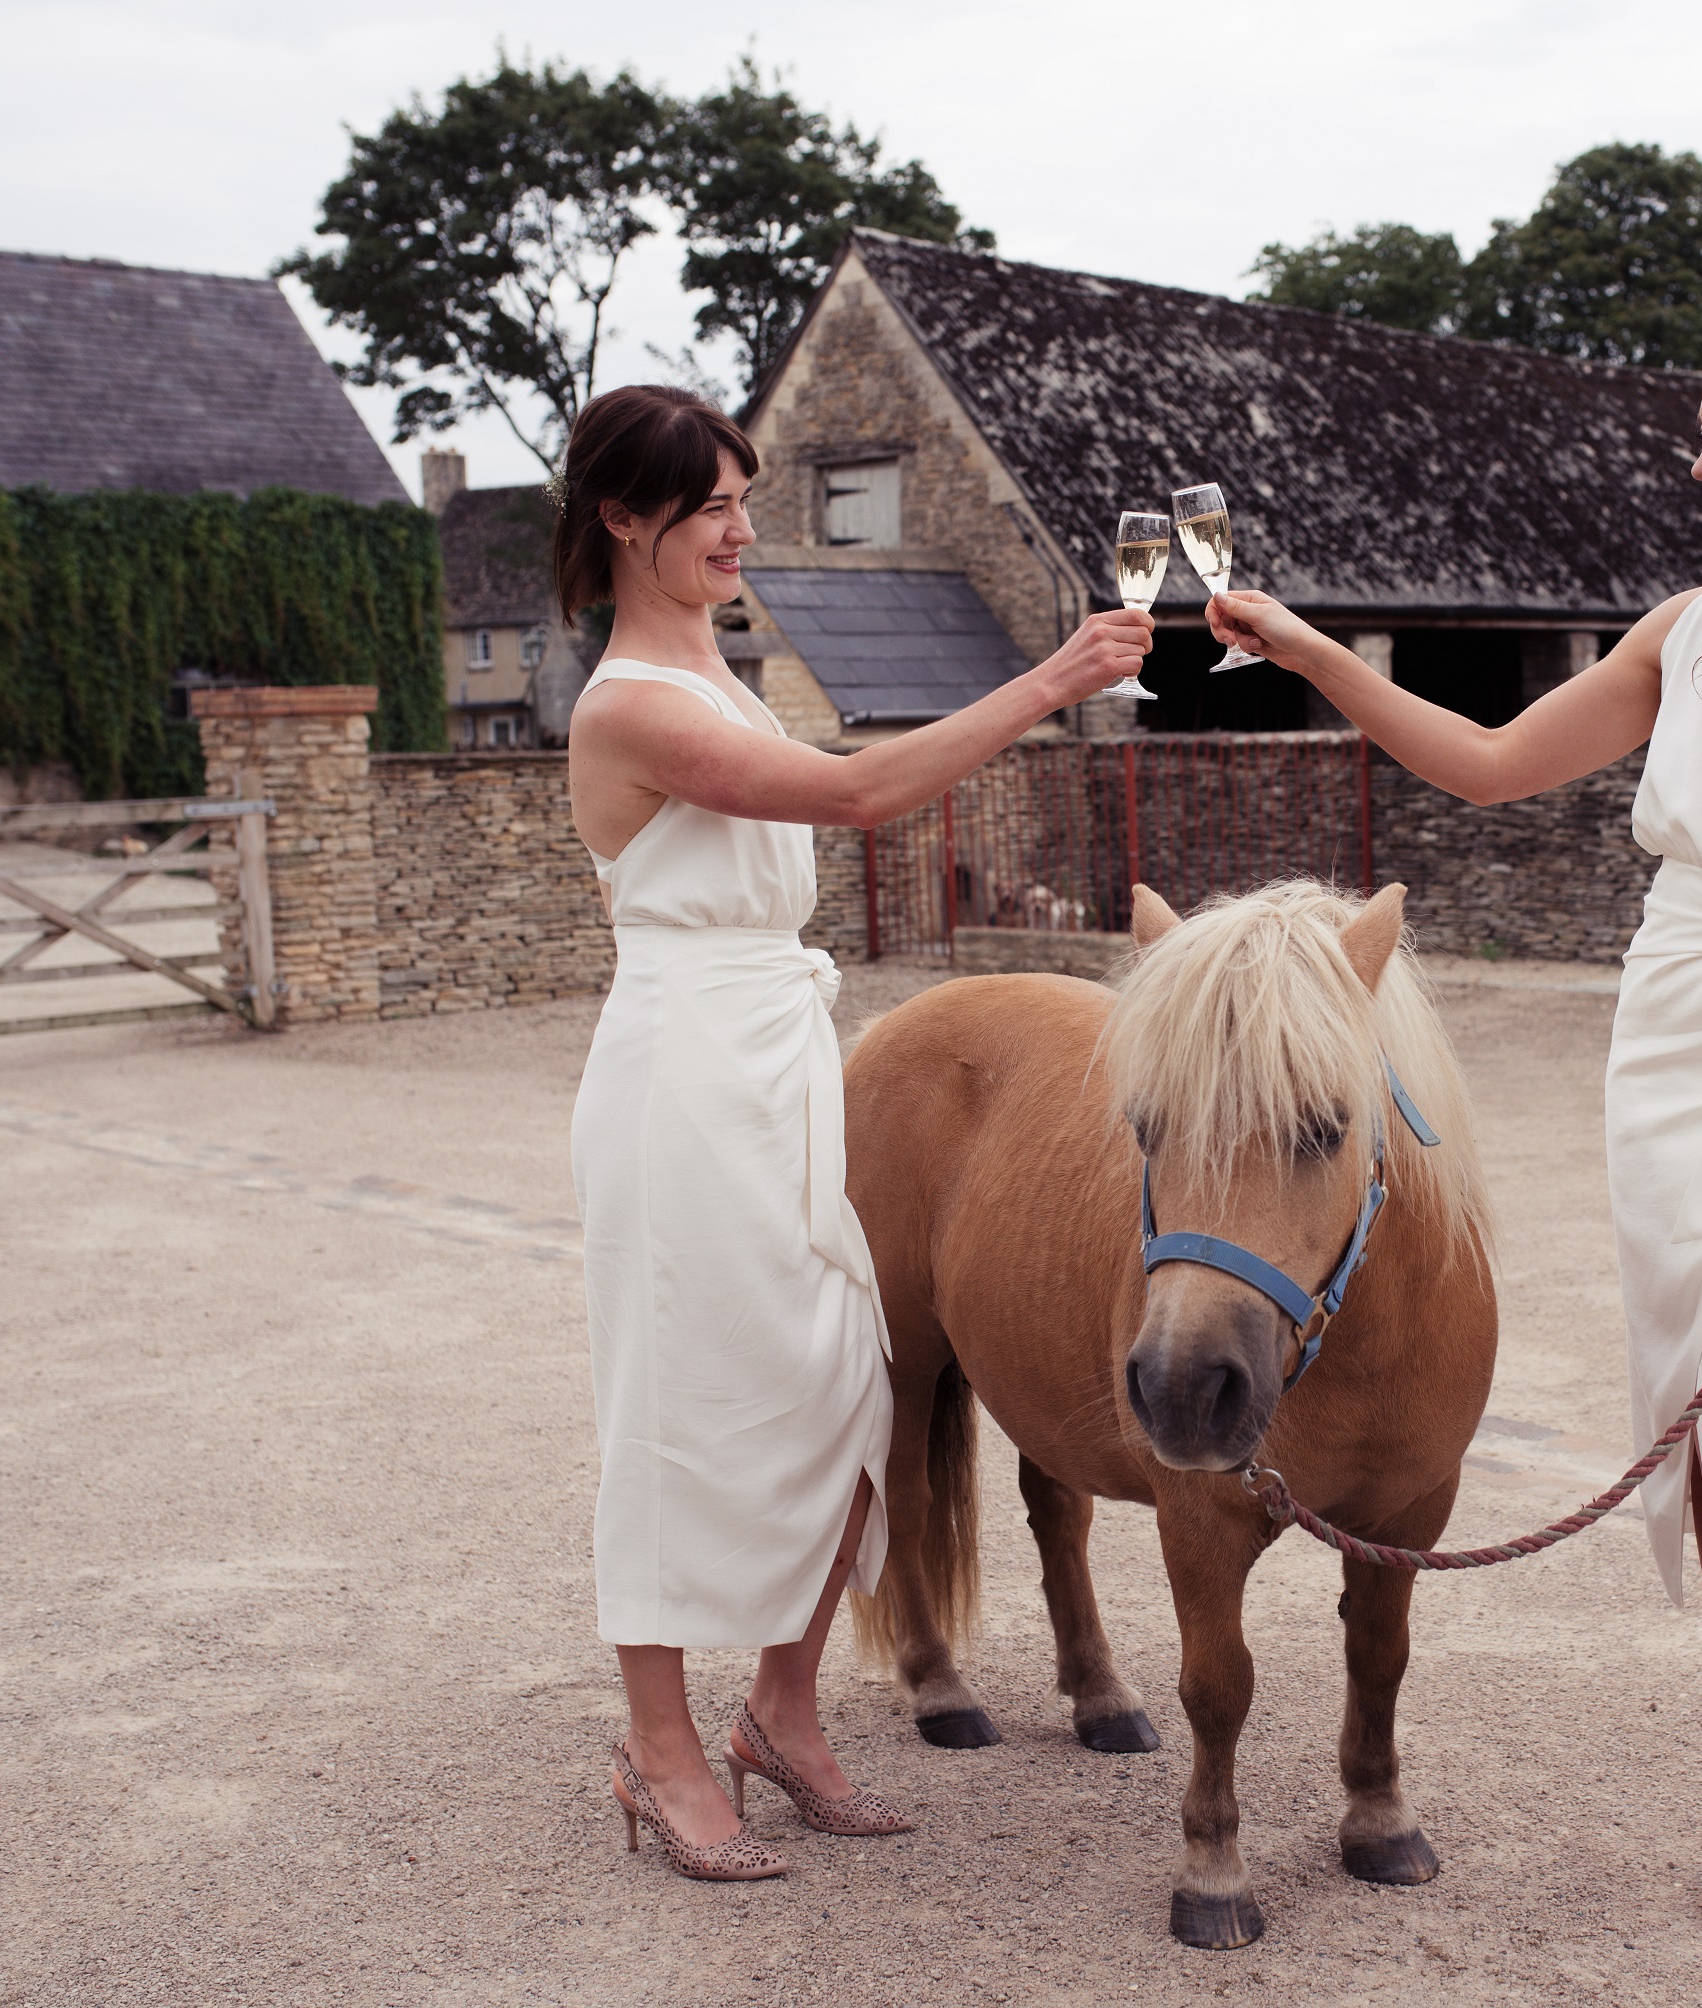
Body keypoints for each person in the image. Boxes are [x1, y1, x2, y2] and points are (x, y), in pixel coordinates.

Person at [1203, 307, 1702, 1936]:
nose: (1701, 464)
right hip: (1677, 1035)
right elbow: (1490, 766)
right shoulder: (1683, 634)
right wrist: (1310, 650)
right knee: (1697, 1446)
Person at [561, 385, 1150, 1879]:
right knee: (676, 1403)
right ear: (626, 520)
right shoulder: (629, 698)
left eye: (744, 501)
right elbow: (859, 792)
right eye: (711, 508)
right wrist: (1054, 678)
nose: (743, 531)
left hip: (778, 1055)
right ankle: (661, 1746)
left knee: (844, 1397)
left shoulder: (714, 660)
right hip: (684, 1072)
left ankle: (781, 1709)